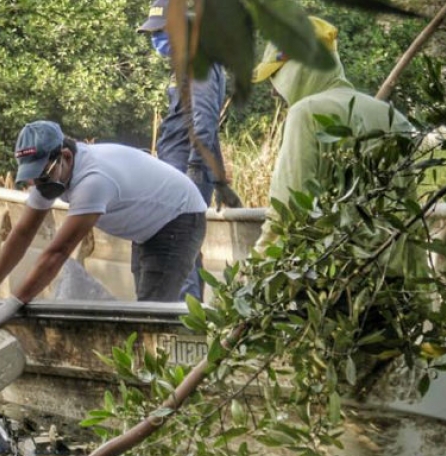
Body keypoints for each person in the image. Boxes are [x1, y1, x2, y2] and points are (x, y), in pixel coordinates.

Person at [0, 120, 207, 333]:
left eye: (42, 176)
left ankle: (170, 377)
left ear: (65, 156)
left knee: (152, 312)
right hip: (147, 223)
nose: (38, 184)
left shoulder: (93, 181)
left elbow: (57, 252)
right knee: (144, 306)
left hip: (179, 217)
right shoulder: (53, 176)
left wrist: (14, 302)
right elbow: (23, 232)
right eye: (33, 178)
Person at [251, 16, 414, 253]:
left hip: (331, 276)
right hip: (389, 275)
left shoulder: (305, 114)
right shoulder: (395, 118)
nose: (274, 92)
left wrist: (256, 268)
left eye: (276, 76)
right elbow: (410, 214)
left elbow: (288, 207)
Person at [138, 0, 232, 301]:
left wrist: (193, 172)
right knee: (185, 248)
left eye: (163, 31)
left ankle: (182, 322)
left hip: (184, 172)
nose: (158, 39)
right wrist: (219, 180)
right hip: (181, 169)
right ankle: (191, 315)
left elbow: (204, 126)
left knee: (177, 247)